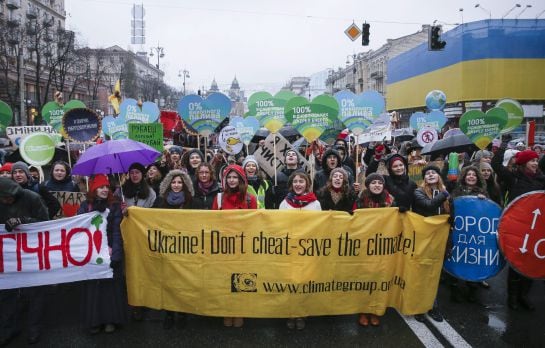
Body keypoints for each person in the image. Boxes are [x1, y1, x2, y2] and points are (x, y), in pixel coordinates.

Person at [492, 148, 545, 310]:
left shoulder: (542, 180)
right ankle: (513, 298)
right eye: (531, 161)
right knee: (517, 261)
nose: (535, 163)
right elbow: (496, 164)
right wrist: (502, 146)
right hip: (517, 227)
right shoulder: (513, 178)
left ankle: (524, 296)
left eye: (536, 161)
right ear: (523, 164)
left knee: (531, 262)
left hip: (536, 227)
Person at [0, 177, 49, 345]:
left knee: (35, 292)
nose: (7, 201)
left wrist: (23, 221)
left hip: (33, 254)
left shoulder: (32, 197)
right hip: (8, 256)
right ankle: (8, 329)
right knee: (7, 293)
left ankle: (34, 329)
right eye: (3, 199)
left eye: (8, 198)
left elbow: (45, 222)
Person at [78, 174, 126, 334]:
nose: (105, 189)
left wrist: (116, 252)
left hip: (110, 251)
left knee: (109, 288)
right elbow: (79, 229)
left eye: (106, 187)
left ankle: (110, 320)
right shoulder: (86, 206)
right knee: (93, 288)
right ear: (93, 189)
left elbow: (117, 231)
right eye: (101, 187)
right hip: (91, 253)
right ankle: (94, 321)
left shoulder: (114, 205)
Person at [212, 165, 257, 328]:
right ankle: (226, 310)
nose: (231, 180)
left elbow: (255, 223)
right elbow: (213, 223)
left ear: (241, 179)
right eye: (229, 177)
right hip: (224, 246)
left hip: (243, 246)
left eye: (235, 177)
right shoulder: (218, 198)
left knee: (242, 279)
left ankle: (240, 311)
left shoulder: (250, 199)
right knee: (224, 280)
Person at [279, 171, 321, 330]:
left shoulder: (315, 204)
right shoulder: (285, 203)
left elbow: (320, 226)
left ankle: (302, 313)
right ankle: (290, 313)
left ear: (307, 184)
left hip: (307, 250)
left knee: (304, 281)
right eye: (295, 181)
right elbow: (279, 225)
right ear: (291, 184)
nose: (298, 184)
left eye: (301, 181)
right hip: (290, 249)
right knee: (290, 281)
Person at [353, 173, 395, 327]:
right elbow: (354, 219)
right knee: (365, 278)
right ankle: (363, 310)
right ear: (368, 185)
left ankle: (375, 310)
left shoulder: (391, 200)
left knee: (380, 277)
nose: (377, 185)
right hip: (365, 244)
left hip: (383, 245)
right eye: (373, 183)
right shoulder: (361, 199)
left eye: (379, 183)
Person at [153, 169, 194, 328]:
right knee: (167, 282)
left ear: (185, 184)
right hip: (166, 250)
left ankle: (183, 313)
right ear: (168, 184)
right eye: (174, 182)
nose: (176, 185)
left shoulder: (192, 201)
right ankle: (169, 313)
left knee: (183, 282)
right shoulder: (160, 201)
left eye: (179, 182)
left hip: (186, 250)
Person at [412, 165, 450, 322]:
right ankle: (419, 307)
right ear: (424, 178)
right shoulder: (419, 192)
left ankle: (433, 306)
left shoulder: (446, 192)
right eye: (427, 173)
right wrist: (444, 195)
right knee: (422, 272)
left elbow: (451, 212)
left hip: (440, 238)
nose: (431, 174)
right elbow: (428, 206)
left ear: (439, 176)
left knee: (435, 274)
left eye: (434, 172)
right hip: (424, 238)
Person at [450, 166, 489, 303]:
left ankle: (472, 288)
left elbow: (487, 213)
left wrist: (483, 201)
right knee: (456, 257)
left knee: (472, 259)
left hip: (474, 233)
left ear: (477, 178)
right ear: (464, 177)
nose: (471, 177)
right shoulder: (456, 191)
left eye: (474, 175)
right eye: (468, 175)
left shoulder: (483, 193)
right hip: (459, 232)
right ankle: (455, 289)